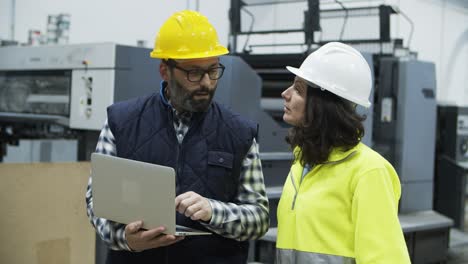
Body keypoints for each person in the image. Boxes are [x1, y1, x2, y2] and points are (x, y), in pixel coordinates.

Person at [85, 10, 269, 264]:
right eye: (193, 72)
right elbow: (96, 200)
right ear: (165, 71)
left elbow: (259, 219)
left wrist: (213, 211)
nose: (206, 83)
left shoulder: (239, 132)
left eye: (213, 70)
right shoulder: (121, 121)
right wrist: (126, 239)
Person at [275, 42, 411, 263]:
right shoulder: (303, 162)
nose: (285, 94)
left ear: (323, 105)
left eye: (298, 89)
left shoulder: (368, 172)